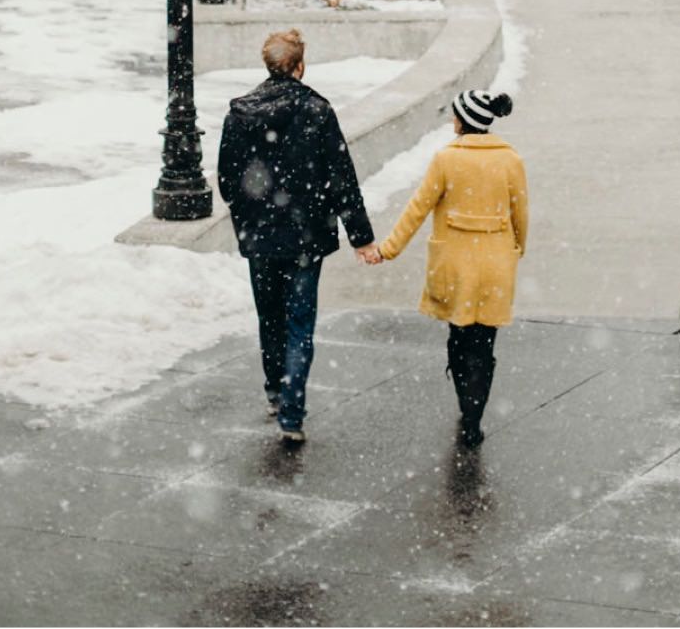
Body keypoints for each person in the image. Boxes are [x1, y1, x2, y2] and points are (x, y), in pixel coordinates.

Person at [217, 27, 382, 445]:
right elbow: (341, 176)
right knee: (299, 322)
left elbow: (227, 178)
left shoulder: (240, 113)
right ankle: (292, 412)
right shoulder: (316, 111)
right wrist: (360, 235)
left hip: (260, 236)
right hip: (306, 237)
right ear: (300, 66)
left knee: (268, 315)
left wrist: (250, 213)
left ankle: (275, 390)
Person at [376, 88, 527, 449]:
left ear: (464, 121)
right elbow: (520, 213)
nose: (451, 120)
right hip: (494, 266)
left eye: (455, 115)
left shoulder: (446, 160)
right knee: (484, 342)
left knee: (459, 338)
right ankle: (475, 415)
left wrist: (388, 249)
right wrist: (517, 248)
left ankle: (465, 400)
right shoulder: (510, 161)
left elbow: (417, 208)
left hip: (455, 266)